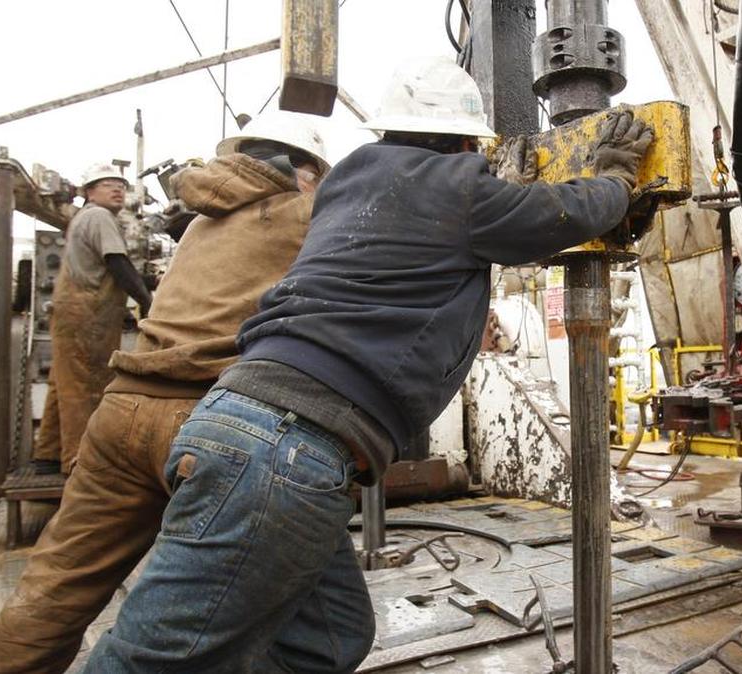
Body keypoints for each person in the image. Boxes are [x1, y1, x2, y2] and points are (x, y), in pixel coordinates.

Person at [83, 57, 653, 673]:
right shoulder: (458, 187)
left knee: (330, 637)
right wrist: (615, 179)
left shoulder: (347, 180)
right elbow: (564, 213)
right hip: (286, 453)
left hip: (245, 423)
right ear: (465, 142)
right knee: (148, 660)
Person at [0, 111, 332, 674]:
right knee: (209, 608)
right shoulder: (305, 214)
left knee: (55, 587)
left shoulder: (200, 224)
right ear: (301, 170)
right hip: (209, 420)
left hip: (122, 410)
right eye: (317, 176)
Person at [29, 163, 153, 475]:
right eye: (108, 184)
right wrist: (148, 301)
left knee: (64, 382)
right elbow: (118, 263)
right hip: (88, 312)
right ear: (89, 192)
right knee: (87, 386)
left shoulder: (84, 217)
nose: (117, 190)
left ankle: (48, 453)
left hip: (73, 310)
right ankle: (80, 464)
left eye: (120, 185)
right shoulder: (99, 216)